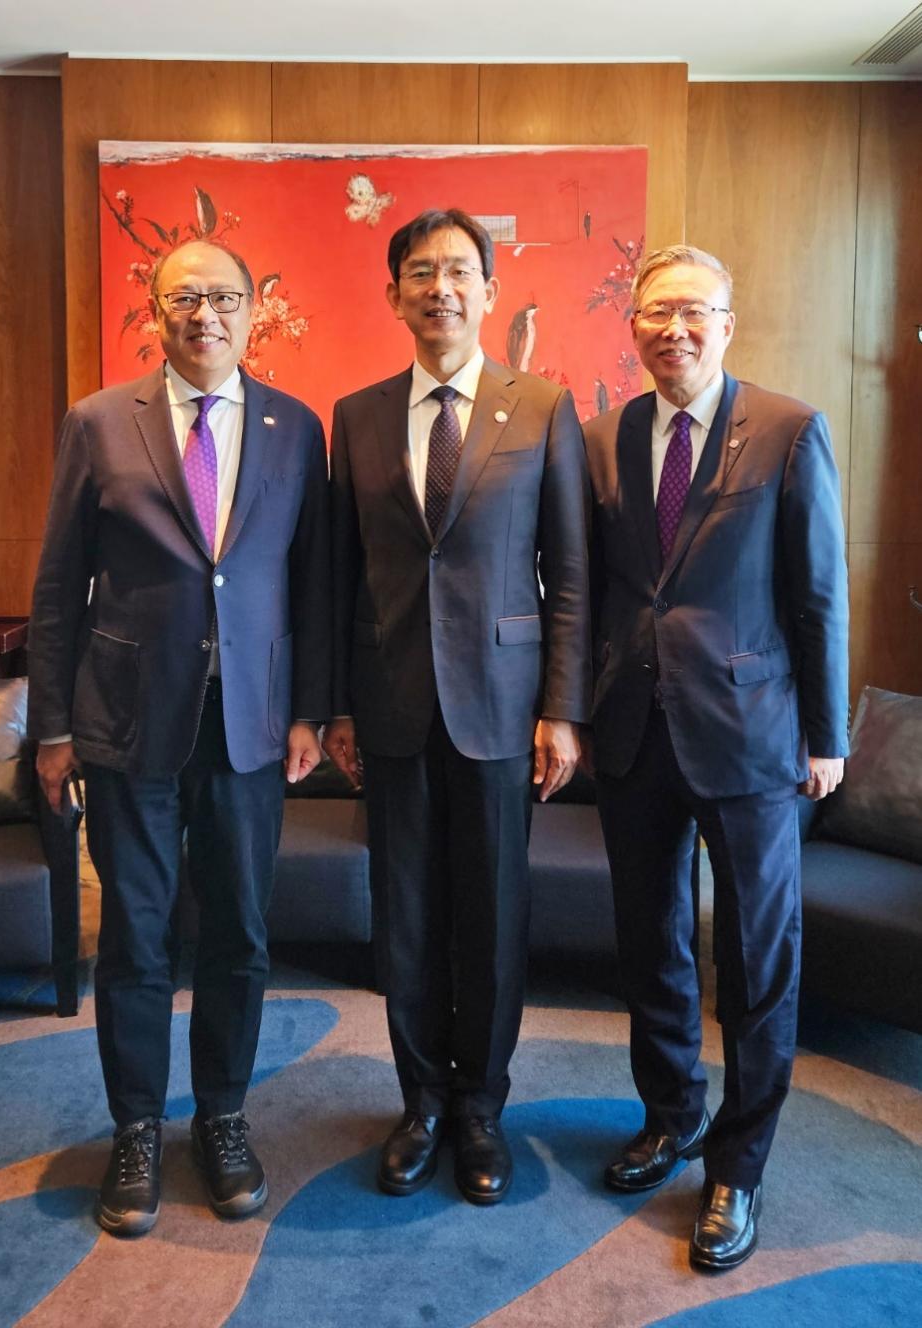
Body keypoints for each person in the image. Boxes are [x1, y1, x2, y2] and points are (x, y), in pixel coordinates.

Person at [27, 240, 330, 1236]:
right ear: (155, 311)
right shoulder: (99, 422)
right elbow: (58, 583)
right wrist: (52, 725)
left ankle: (224, 1116)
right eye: (185, 297)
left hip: (250, 724)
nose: (206, 314)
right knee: (135, 930)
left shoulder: (296, 427)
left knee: (240, 929)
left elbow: (313, 582)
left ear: (254, 309)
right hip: (127, 722)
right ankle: (137, 1126)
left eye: (224, 297)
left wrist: (309, 710)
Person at [583, 244, 849, 1270]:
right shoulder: (603, 437)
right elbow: (595, 589)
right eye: (657, 312)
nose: (675, 329)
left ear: (727, 324)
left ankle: (738, 1164)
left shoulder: (786, 429)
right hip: (633, 732)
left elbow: (818, 593)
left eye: (694, 311)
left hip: (752, 736)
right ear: (634, 328)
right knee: (649, 941)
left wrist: (826, 736)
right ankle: (672, 1114)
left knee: (756, 959)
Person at [325, 208, 591, 1205]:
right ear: (394, 294)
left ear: (488, 291)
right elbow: (339, 572)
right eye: (421, 273)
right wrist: (335, 704)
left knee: (492, 912)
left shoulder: (544, 406)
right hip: (391, 700)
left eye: (459, 272)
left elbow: (569, 572)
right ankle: (420, 1102)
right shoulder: (355, 415)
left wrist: (562, 708)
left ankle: (481, 1105)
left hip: (502, 704)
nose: (440, 288)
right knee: (403, 915)